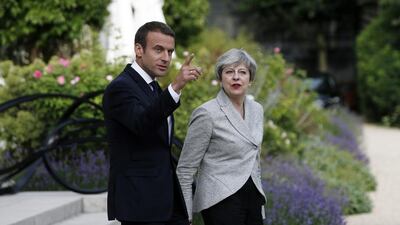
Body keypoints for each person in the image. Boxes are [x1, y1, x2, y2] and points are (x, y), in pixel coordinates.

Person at [103, 21, 201, 225]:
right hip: (139, 204)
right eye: (158, 50)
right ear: (139, 49)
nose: (166, 58)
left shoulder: (152, 87)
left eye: (170, 51)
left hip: (165, 201)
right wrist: (175, 87)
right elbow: (142, 124)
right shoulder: (120, 88)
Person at [176, 48, 266, 225]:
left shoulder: (257, 109)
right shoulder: (207, 113)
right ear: (220, 78)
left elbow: (255, 159)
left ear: (251, 79)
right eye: (229, 72)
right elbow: (185, 170)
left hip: (253, 198)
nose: (236, 77)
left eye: (242, 72)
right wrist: (185, 216)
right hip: (220, 200)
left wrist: (260, 205)